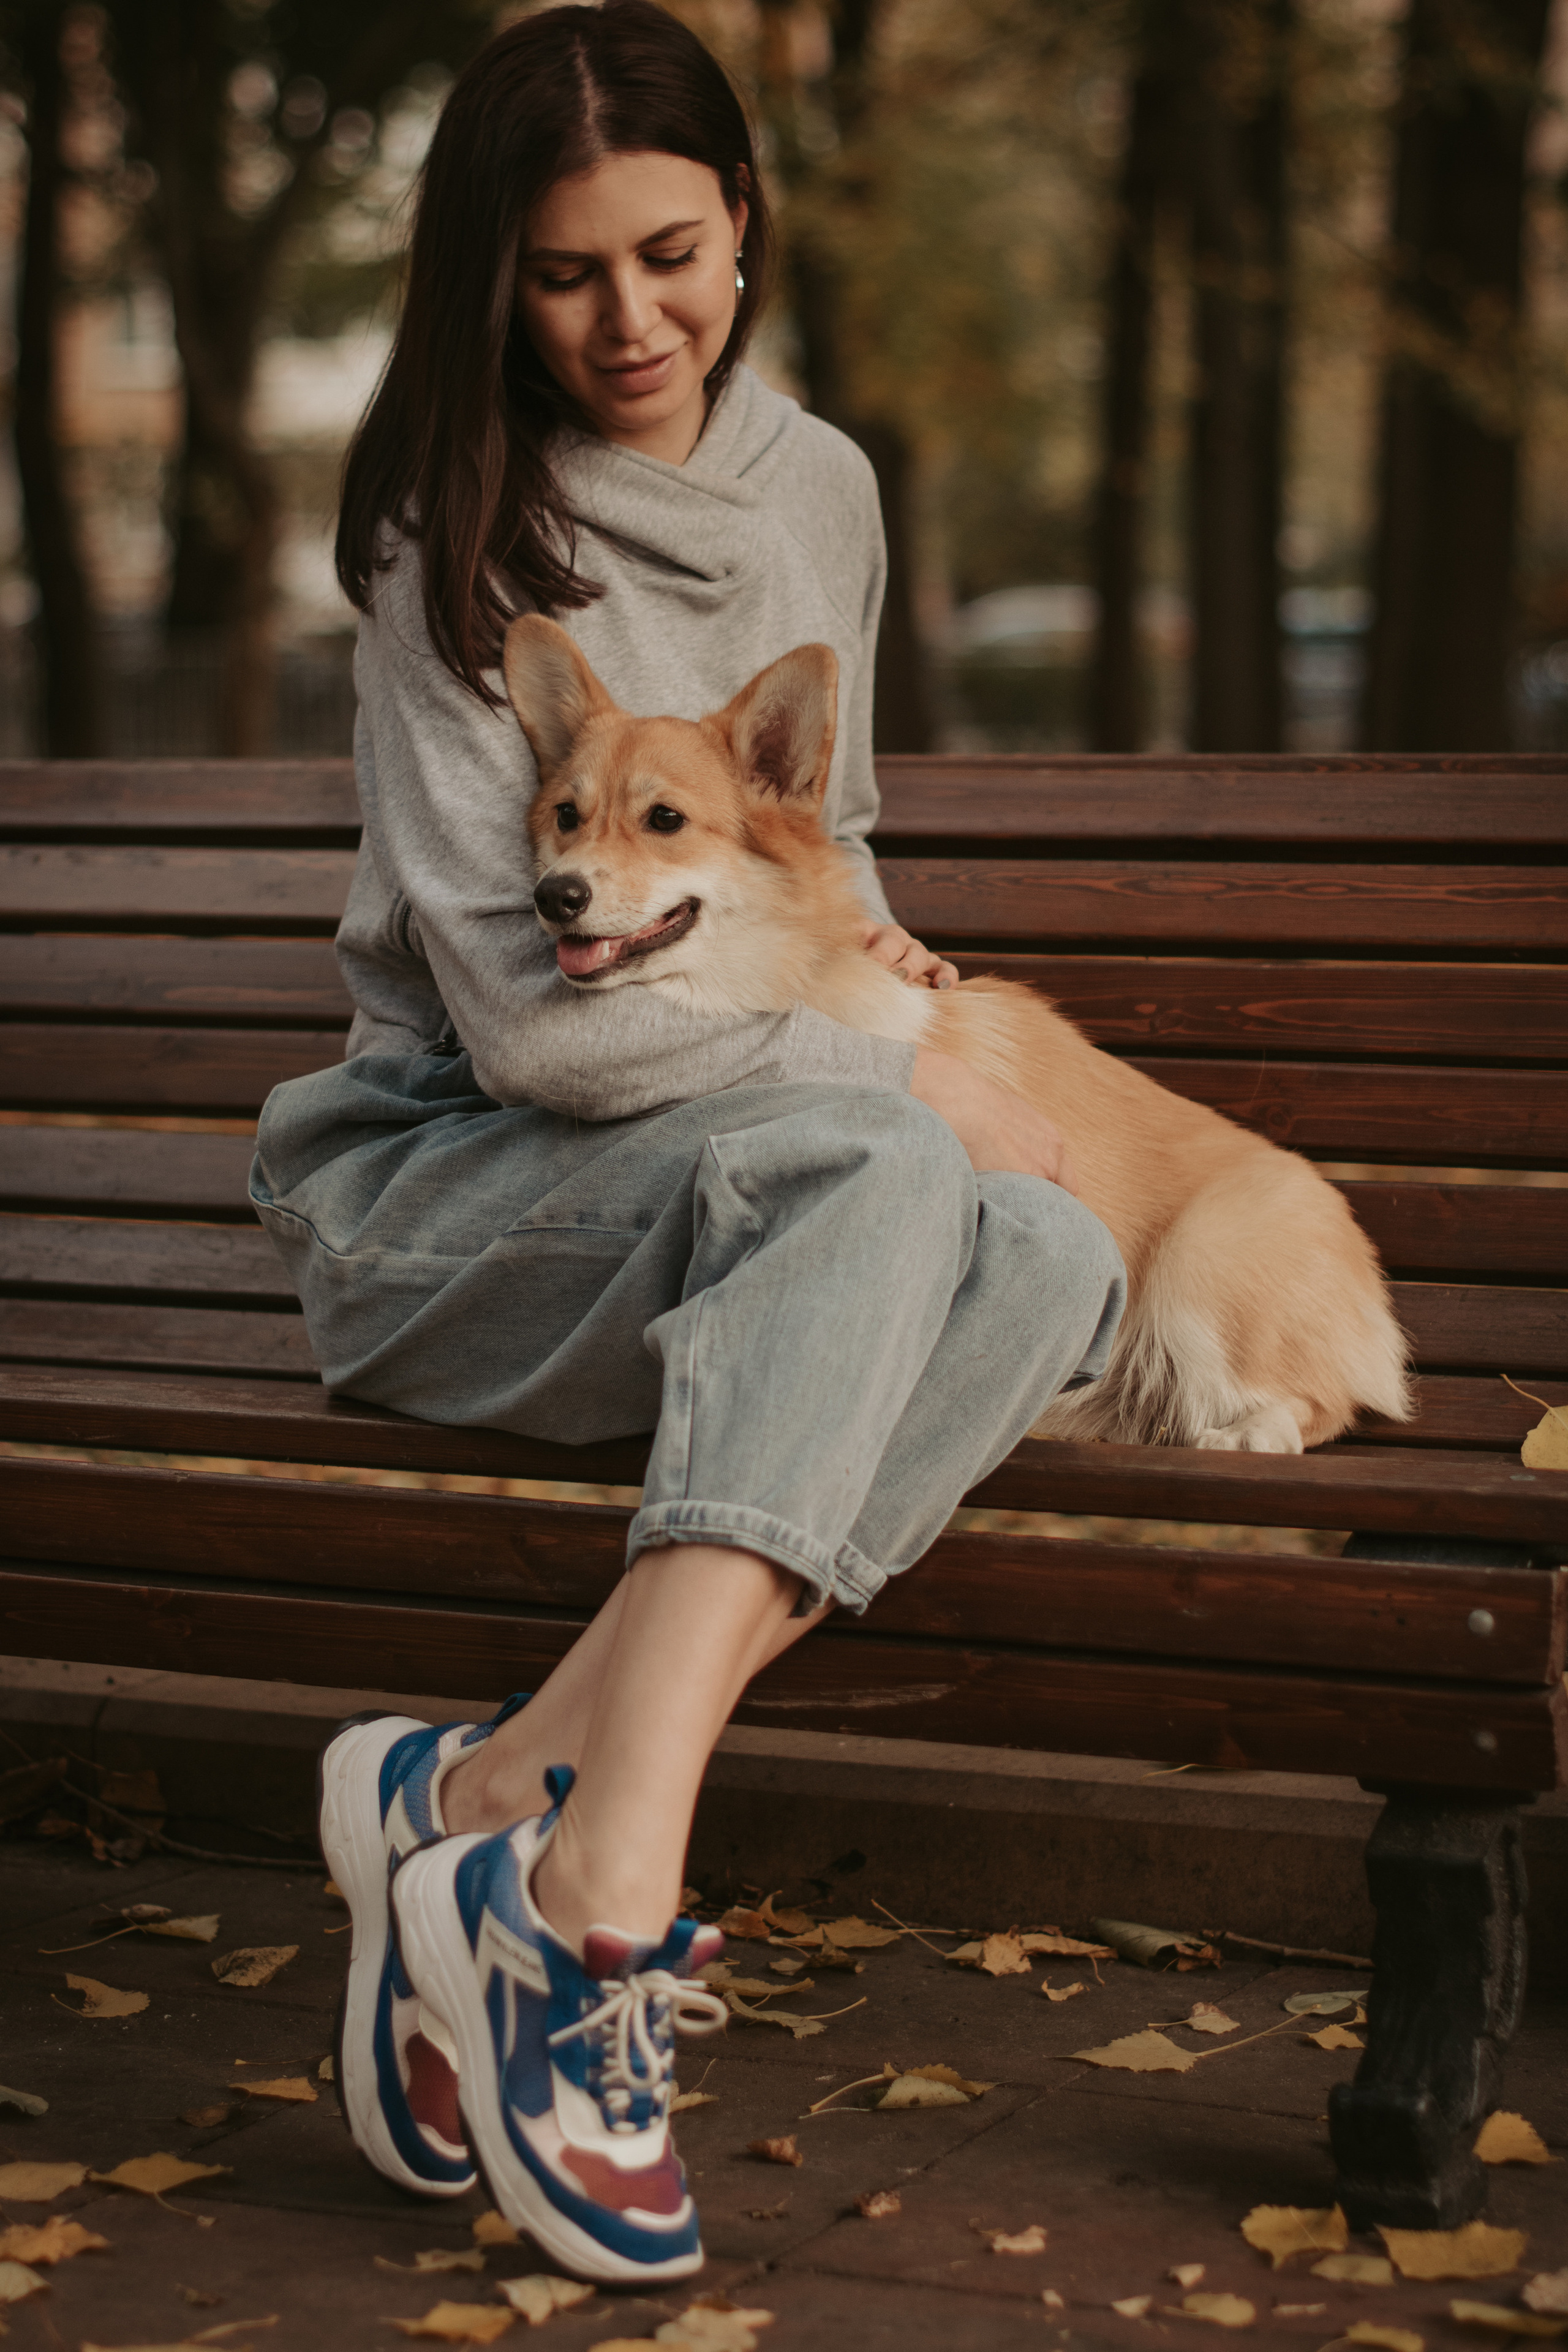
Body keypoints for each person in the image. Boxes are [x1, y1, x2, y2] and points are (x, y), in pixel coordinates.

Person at [252, 0, 1125, 2289]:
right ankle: (595, 1909)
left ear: (743, 222)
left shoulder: (818, 485)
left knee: (1050, 1250)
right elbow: (527, 1025)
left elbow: (807, 841)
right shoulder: (448, 532)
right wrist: (883, 1079)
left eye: (672, 251)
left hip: (741, 1136)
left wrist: (892, 981)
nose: (630, 318)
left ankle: (488, 1802)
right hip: (466, 1183)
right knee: (897, 1161)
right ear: (493, 285)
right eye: (565, 274)